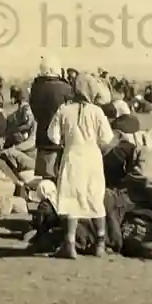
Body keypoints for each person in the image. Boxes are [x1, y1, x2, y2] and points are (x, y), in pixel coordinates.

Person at [46, 72, 115, 259]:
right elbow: (107, 138)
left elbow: (52, 135)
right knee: (95, 197)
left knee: (71, 198)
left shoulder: (64, 109)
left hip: (72, 156)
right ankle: (100, 243)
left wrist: (64, 142)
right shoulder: (97, 111)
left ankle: (69, 244)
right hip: (92, 157)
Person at [30, 55, 75, 184]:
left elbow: (35, 110)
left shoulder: (36, 87)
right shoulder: (65, 88)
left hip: (43, 136)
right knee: (61, 177)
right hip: (60, 138)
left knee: (47, 179)